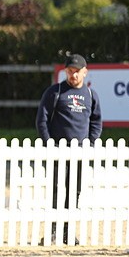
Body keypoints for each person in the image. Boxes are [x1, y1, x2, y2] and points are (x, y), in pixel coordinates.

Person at [36, 54, 102, 245]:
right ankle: (53, 231)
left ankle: (68, 231)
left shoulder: (90, 95)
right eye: (70, 72)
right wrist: (49, 143)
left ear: (85, 72)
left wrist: (90, 142)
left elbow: (96, 121)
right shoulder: (54, 91)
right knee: (57, 190)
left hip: (80, 153)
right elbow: (42, 119)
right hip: (58, 151)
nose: (73, 76)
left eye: (77, 72)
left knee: (76, 191)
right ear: (65, 71)